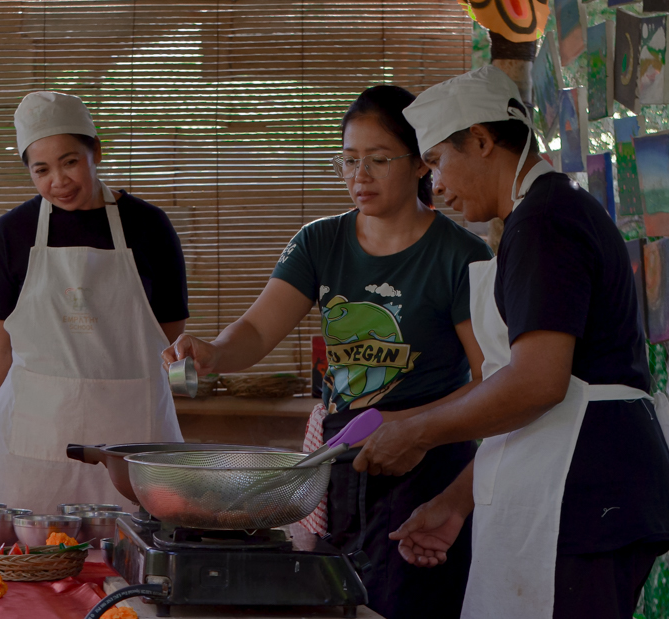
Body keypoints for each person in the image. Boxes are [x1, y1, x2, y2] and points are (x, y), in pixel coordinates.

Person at [162, 85, 492, 619]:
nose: (359, 175)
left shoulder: (461, 256)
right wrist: (213, 351)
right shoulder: (320, 242)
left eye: (379, 160)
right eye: (348, 160)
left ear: (420, 165)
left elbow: (489, 382)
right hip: (342, 464)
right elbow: (256, 330)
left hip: (426, 467)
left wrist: (413, 427)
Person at [356, 66, 669, 619]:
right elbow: (518, 389)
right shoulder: (541, 216)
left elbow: (537, 384)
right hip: (576, 483)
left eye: (435, 162)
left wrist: (417, 434)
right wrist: (456, 503)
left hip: (583, 490)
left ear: (480, 140)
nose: (436, 186)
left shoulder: (545, 221)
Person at [0, 91, 189, 511]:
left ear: (96, 151)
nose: (58, 180)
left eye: (69, 161)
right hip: (33, 443)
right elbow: (2, 349)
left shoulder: (149, 227)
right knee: (28, 561)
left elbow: (169, 341)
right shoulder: (10, 234)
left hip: (131, 440)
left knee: (131, 560)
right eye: (42, 169)